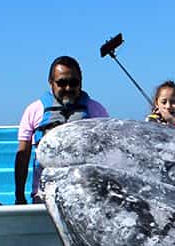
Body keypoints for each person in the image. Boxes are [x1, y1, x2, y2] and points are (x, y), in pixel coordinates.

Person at [14, 56, 110, 204]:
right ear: (51, 83)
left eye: (74, 83)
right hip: (46, 195)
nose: (68, 88)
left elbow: (109, 154)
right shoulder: (34, 110)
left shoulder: (96, 110)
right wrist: (20, 196)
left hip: (85, 195)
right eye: (62, 83)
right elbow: (23, 156)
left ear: (81, 82)